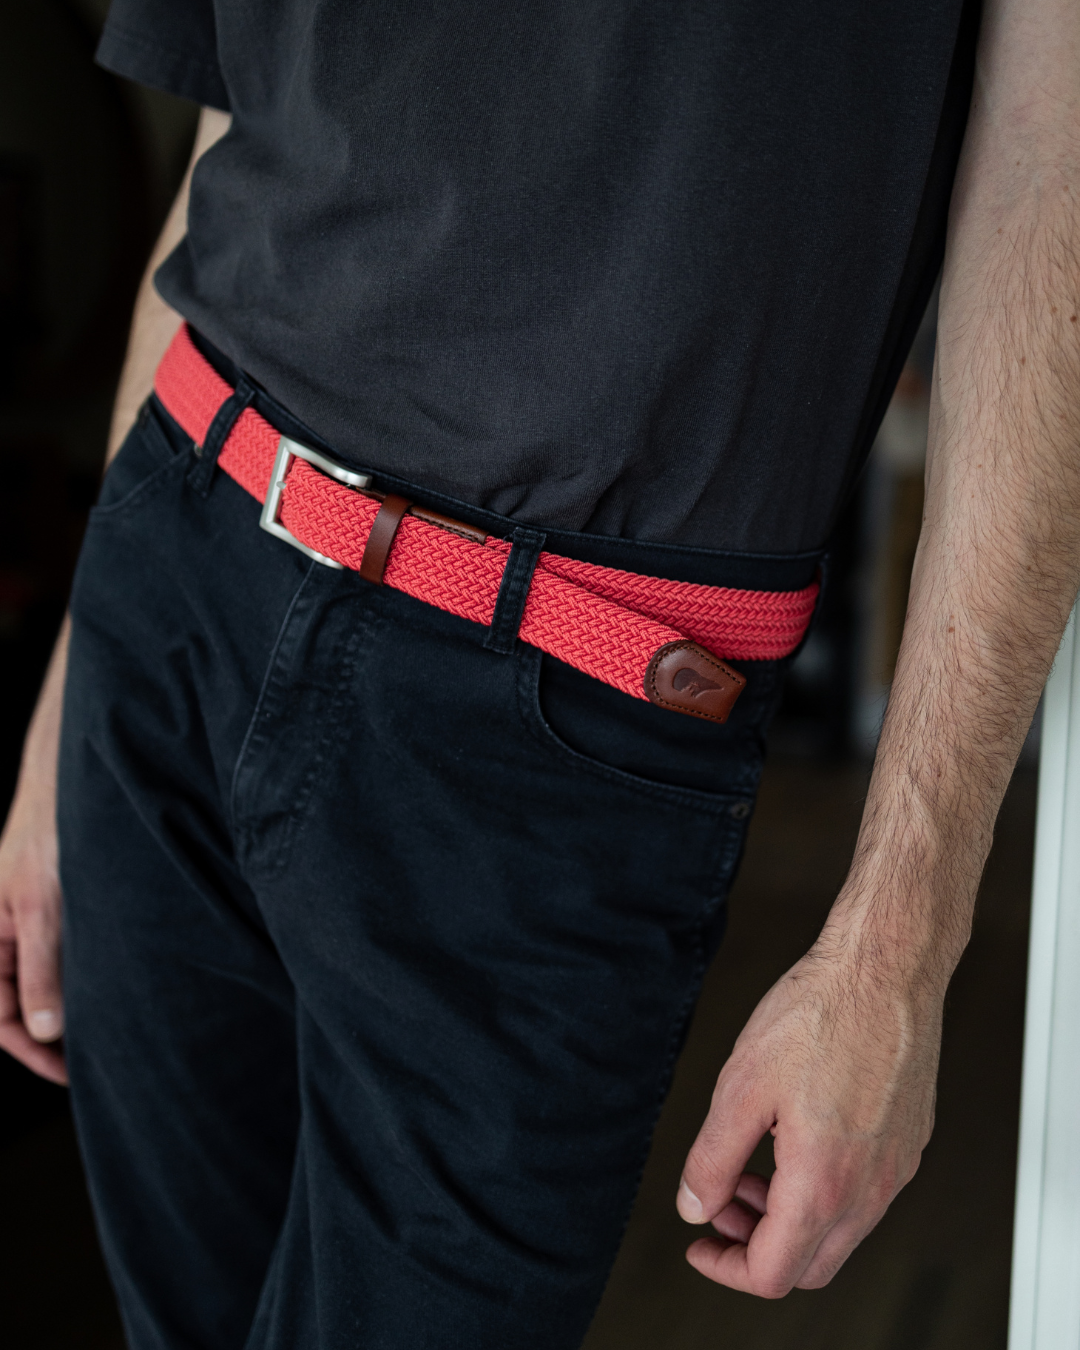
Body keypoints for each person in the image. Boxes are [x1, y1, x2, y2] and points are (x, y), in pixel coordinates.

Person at [1, 0, 1078, 1345]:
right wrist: (56, 728)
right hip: (177, 557)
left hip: (563, 704)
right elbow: (236, 110)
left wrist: (896, 953)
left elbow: (1055, 176)